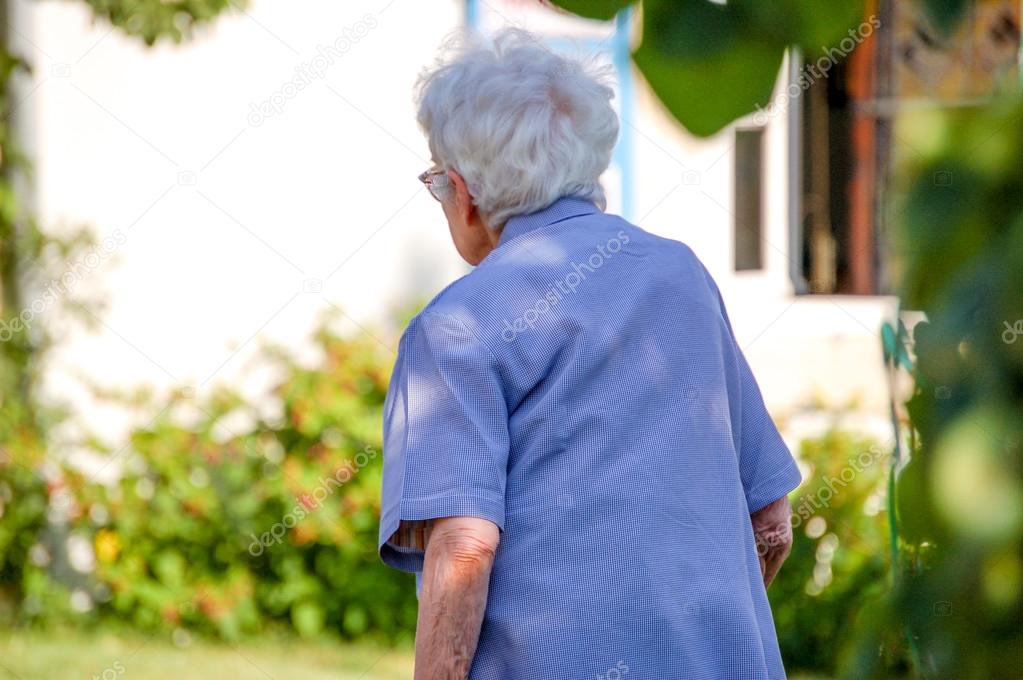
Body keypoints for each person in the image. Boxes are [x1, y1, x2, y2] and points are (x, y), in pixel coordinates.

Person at [378, 28, 801, 680]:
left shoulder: (454, 328)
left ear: (464, 193)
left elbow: (462, 548)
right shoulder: (681, 276)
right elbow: (770, 524)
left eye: (438, 181)